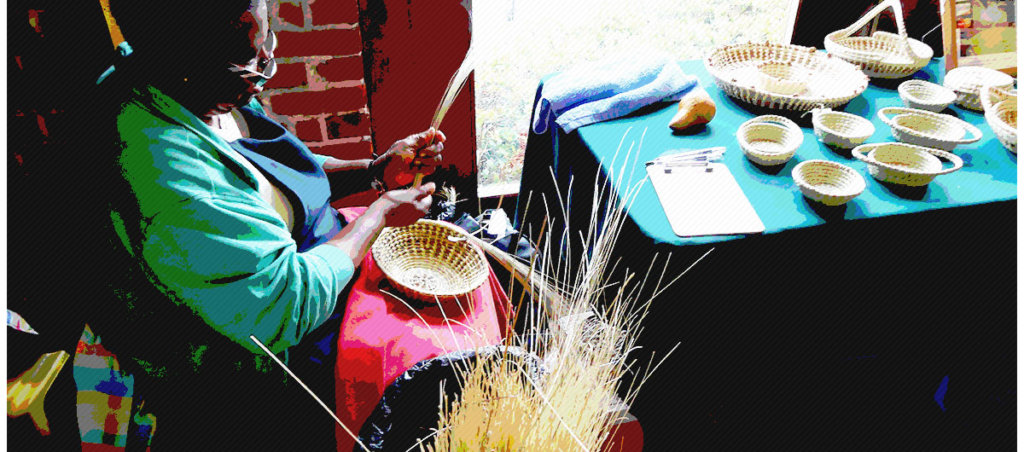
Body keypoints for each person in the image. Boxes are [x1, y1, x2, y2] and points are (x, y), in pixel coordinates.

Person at [84, 0, 450, 448]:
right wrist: (379, 213)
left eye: (266, 41)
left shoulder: (190, 89)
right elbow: (286, 304)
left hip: (309, 268)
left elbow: (272, 175)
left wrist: (373, 170)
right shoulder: (170, 174)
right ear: (188, 64)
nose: (264, 67)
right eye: (249, 65)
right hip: (260, 353)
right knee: (419, 370)